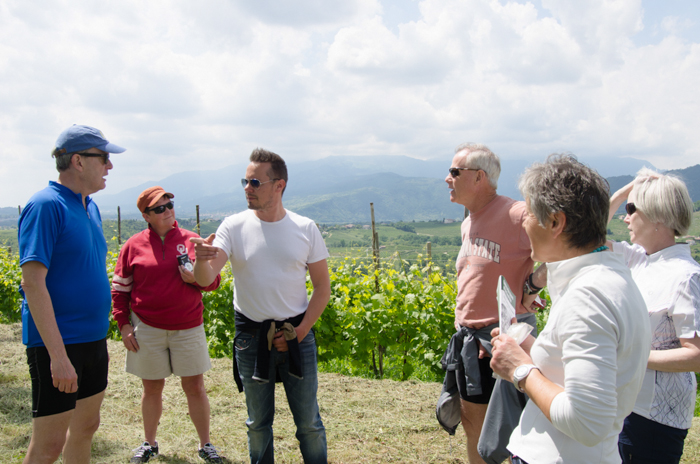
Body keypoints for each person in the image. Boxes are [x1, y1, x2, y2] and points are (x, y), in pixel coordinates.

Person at [490, 154, 651, 464]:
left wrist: (519, 370)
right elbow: (575, 370)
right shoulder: (610, 277)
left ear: (555, 222)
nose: (522, 222)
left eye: (528, 212)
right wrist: (526, 348)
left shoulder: (588, 296)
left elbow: (586, 423)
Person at [191, 148, 331, 464]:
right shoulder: (232, 226)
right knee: (257, 425)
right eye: (245, 181)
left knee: (309, 424)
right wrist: (201, 260)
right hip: (251, 338)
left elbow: (323, 289)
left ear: (279, 185)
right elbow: (205, 278)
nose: (247, 188)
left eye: (255, 182)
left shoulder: (305, 227)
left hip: (298, 334)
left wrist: (300, 330)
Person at [18, 125, 125, 464]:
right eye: (104, 158)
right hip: (58, 345)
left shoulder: (89, 207)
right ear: (78, 161)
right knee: (49, 446)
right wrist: (58, 357)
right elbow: (33, 284)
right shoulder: (45, 205)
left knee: (86, 427)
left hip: (93, 341)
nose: (110, 166)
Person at [111, 186, 223, 463]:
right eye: (159, 208)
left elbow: (212, 283)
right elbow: (120, 289)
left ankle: (205, 444)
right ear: (146, 215)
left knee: (195, 387)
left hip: (188, 326)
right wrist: (124, 325)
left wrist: (197, 275)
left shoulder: (191, 240)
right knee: (151, 389)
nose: (167, 211)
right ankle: (149, 443)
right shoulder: (133, 245)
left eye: (169, 204)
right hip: (147, 327)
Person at [440, 143, 536, 464]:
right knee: (474, 427)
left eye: (455, 172)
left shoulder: (516, 213)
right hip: (469, 341)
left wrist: (535, 284)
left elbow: (564, 240)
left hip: (502, 340)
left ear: (479, 177)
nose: (447, 179)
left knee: (507, 432)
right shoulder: (468, 221)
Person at [606, 170, 700, 464]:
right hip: (627, 405)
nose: (625, 217)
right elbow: (585, 235)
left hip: (654, 417)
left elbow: (696, 355)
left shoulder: (685, 277)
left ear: (658, 215)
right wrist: (626, 192)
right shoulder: (639, 259)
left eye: (631, 209)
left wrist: (634, 356)